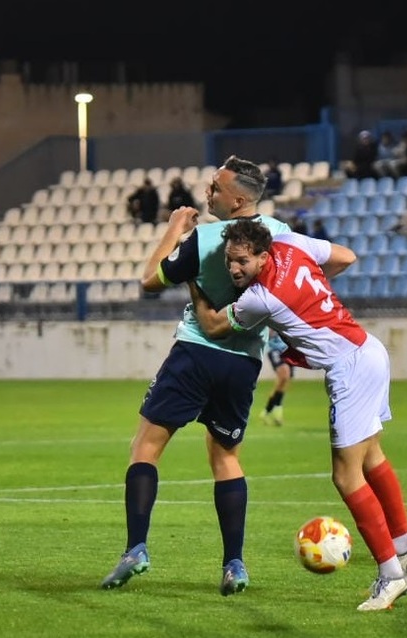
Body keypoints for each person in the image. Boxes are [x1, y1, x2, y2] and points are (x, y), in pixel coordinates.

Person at [185, 217, 407, 612]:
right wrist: (311, 290)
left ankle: (392, 575)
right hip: (369, 349)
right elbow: (346, 257)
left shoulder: (259, 297)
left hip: (349, 368)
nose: (233, 268)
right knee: (371, 457)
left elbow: (213, 325)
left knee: (345, 476)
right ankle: (403, 546)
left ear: (263, 257)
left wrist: (192, 280)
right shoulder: (291, 244)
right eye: (229, 260)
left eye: (242, 261)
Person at [101, 155, 292, 597]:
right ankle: (234, 564)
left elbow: (150, 280)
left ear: (238, 200)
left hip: (195, 352)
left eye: (216, 188)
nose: (208, 193)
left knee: (145, 447)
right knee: (225, 457)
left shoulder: (205, 237)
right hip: (244, 361)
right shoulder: (282, 235)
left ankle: (135, 549)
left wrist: (174, 229)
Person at [259, 329, 293, 426]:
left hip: (289, 351)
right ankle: (275, 412)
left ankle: (267, 412)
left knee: (283, 383)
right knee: (284, 376)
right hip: (275, 350)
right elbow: (267, 333)